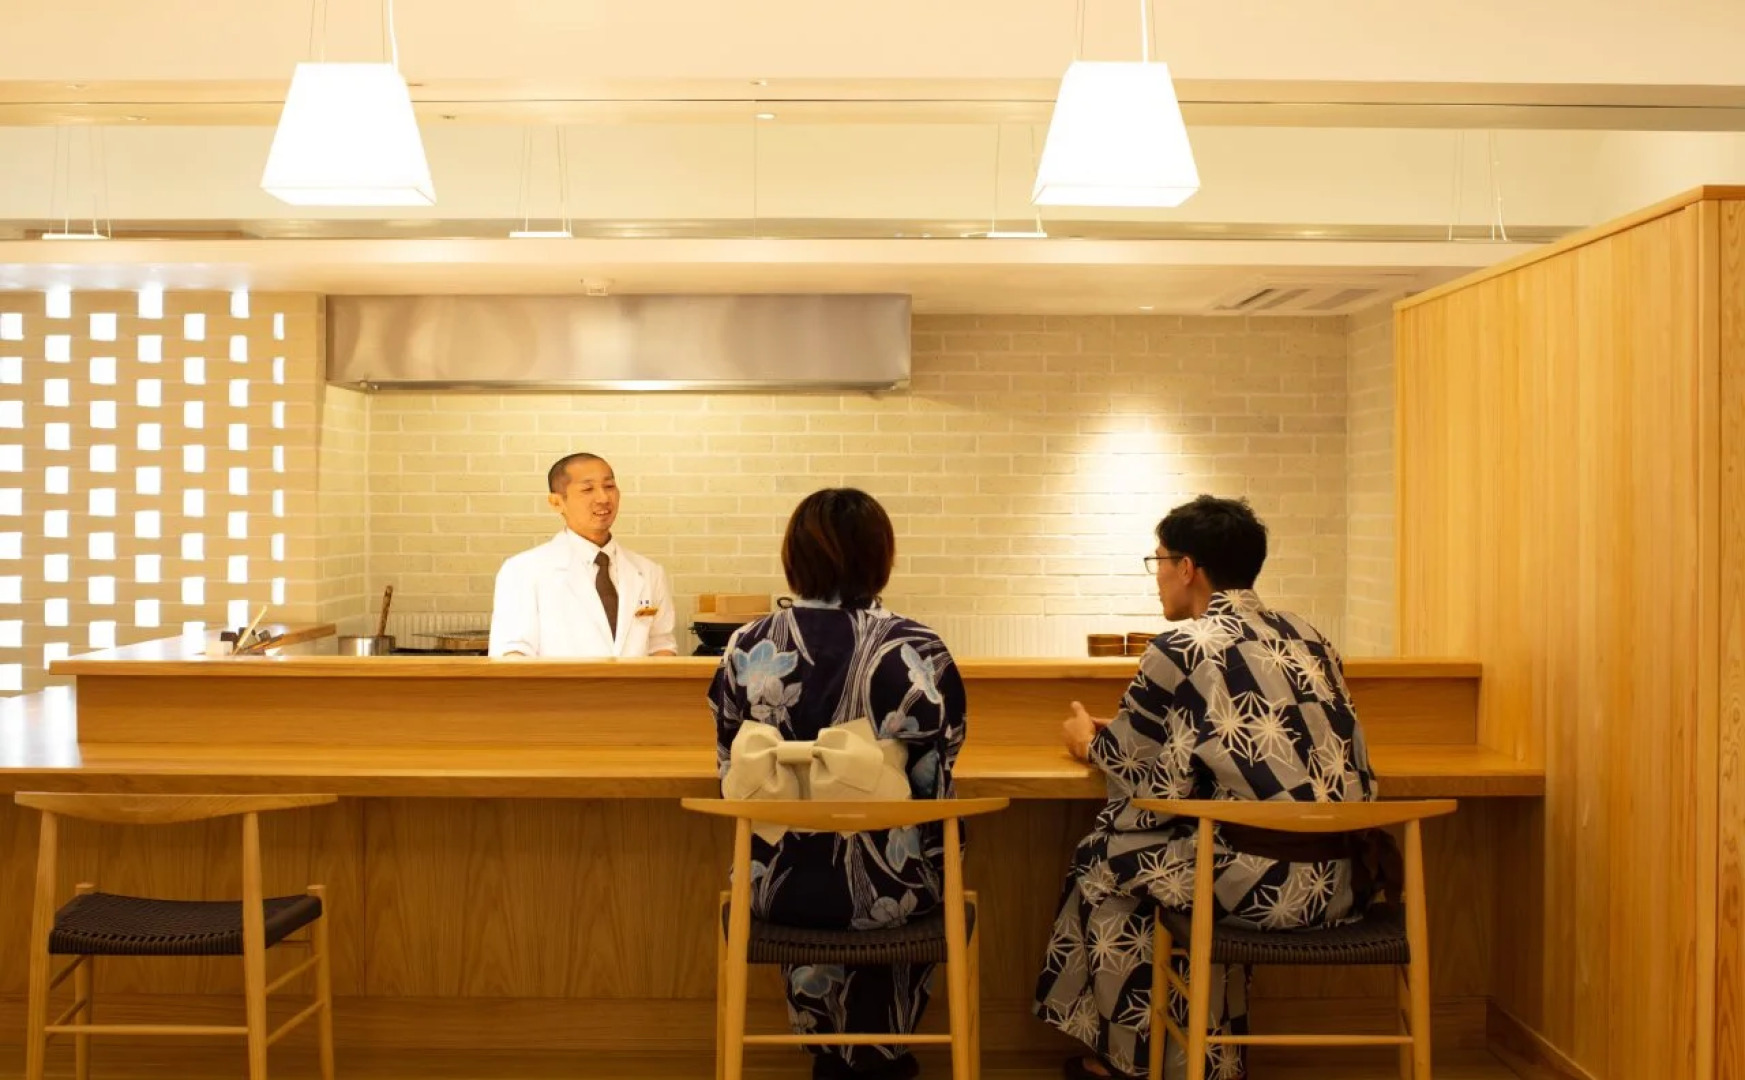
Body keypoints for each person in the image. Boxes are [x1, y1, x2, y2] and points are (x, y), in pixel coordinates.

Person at [1034, 495, 1378, 1080]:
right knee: (1185, 866)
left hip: (1263, 887)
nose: (1158, 575)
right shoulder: (1311, 636)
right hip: (1348, 878)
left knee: (1105, 861)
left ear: (1188, 568)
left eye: (1159, 560)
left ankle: (1133, 1063)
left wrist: (1085, 742)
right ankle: (1205, 1060)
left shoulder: (1180, 646)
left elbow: (1140, 770)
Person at [708, 488, 968, 1080]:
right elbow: (937, 770)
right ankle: (881, 1057)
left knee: (807, 856)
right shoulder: (914, 647)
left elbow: (730, 766)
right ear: (881, 558)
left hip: (774, 890)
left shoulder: (748, 644)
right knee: (921, 845)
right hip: (891, 890)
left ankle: (830, 1056)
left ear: (793, 558)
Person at [488, 452, 677, 658]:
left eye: (609, 486)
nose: (603, 498)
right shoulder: (522, 570)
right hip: (561, 690)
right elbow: (513, 653)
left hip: (635, 690)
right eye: (587, 489)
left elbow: (661, 644)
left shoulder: (649, 572)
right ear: (556, 502)